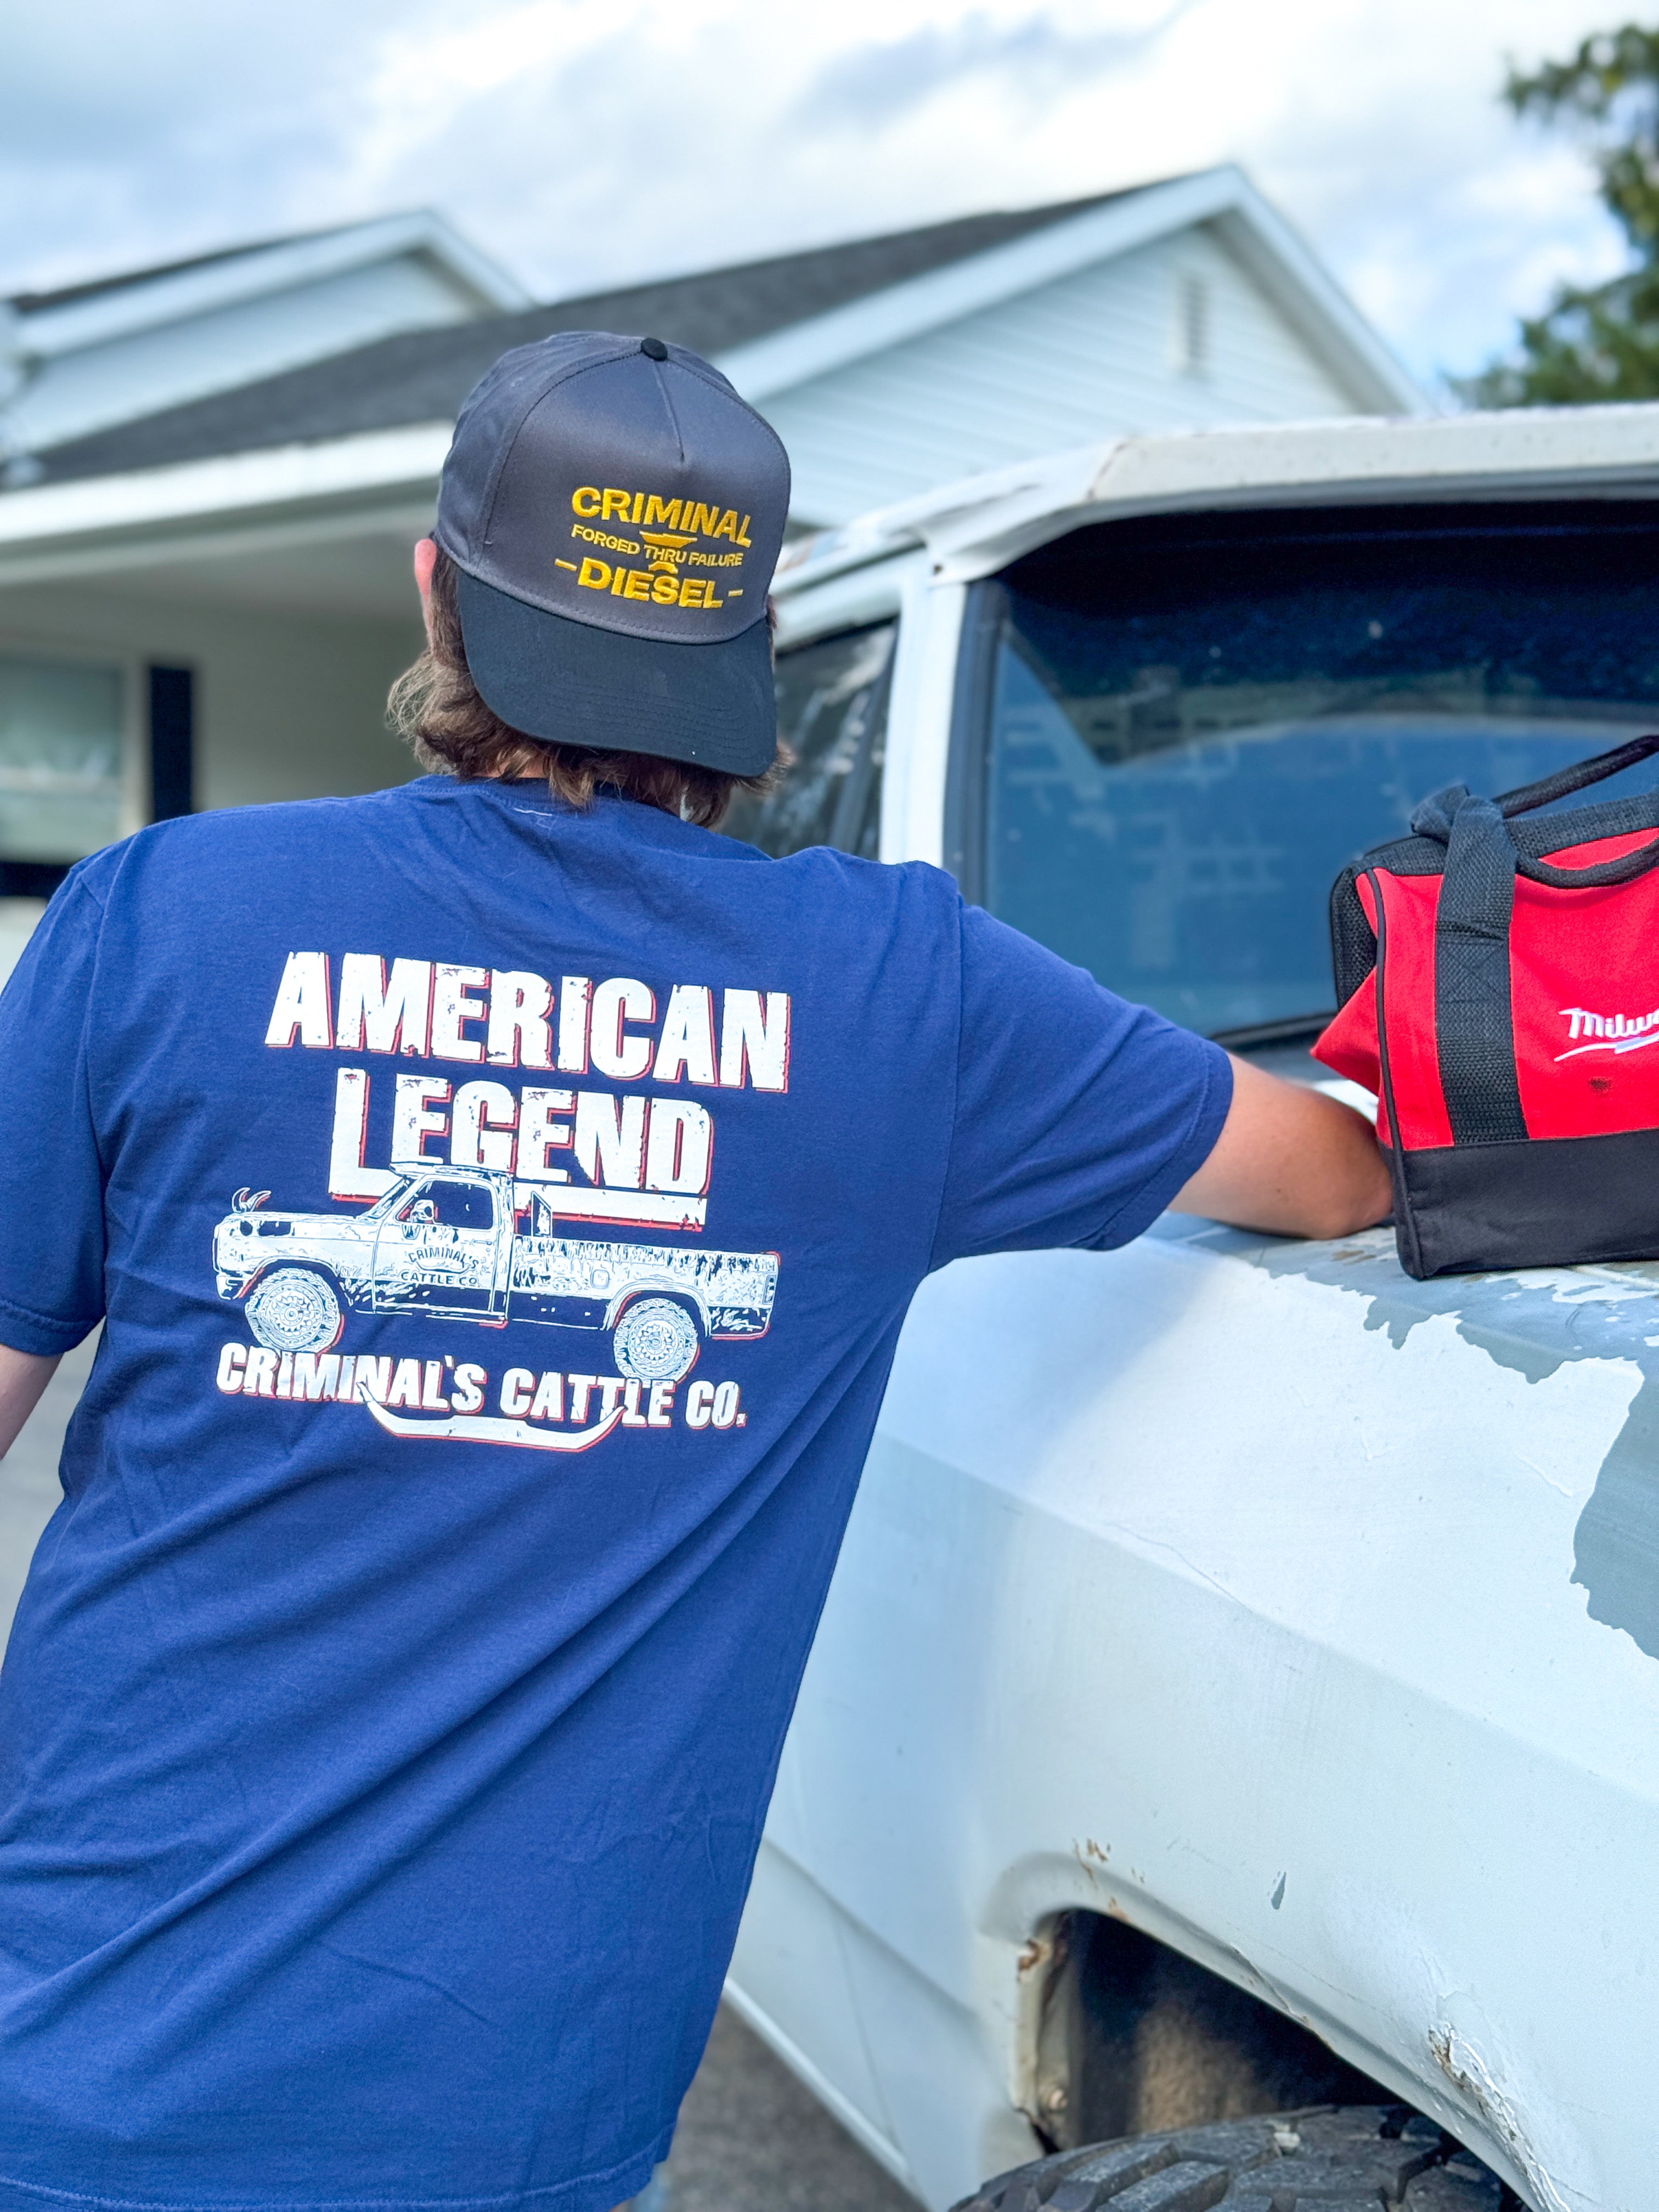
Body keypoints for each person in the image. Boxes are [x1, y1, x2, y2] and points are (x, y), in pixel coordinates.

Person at [0, 332, 1389, 2212]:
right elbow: (1327, 1170)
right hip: (518, 2134)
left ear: (438, 592)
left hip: (75, 2062)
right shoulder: (907, 994)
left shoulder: (159, 913)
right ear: (740, 670)